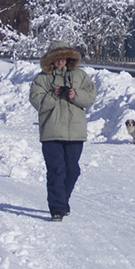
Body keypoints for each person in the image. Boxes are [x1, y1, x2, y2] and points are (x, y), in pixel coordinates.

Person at [29, 41, 96, 221]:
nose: (60, 62)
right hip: (51, 132)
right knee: (56, 170)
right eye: (56, 58)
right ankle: (57, 208)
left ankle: (62, 200)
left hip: (75, 132)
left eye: (63, 58)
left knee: (73, 171)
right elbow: (38, 103)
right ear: (51, 60)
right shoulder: (41, 79)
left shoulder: (80, 76)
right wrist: (53, 95)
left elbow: (90, 97)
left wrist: (75, 95)